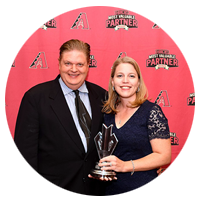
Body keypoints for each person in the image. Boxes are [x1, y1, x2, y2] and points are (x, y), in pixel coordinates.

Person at [14, 39, 106, 196]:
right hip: (53, 192)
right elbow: (24, 159)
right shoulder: (35, 98)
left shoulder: (103, 97)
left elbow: (118, 138)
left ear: (88, 65)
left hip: (95, 191)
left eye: (80, 64)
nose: (73, 69)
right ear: (59, 64)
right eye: (68, 63)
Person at [98, 56, 171, 196]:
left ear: (138, 82)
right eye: (120, 75)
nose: (125, 80)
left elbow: (164, 156)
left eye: (131, 76)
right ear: (113, 81)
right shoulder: (107, 113)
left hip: (142, 190)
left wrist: (125, 166)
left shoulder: (151, 111)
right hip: (109, 190)